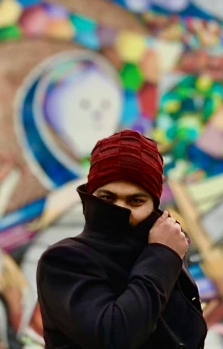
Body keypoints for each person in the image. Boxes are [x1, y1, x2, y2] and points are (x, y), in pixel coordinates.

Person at [36, 130, 208, 349]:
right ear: (91, 196)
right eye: (107, 197)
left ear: (153, 206)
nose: (119, 209)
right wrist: (161, 255)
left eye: (135, 201)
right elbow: (114, 337)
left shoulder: (161, 254)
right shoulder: (64, 260)